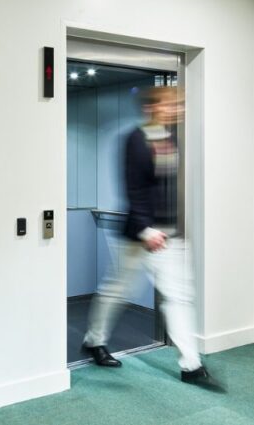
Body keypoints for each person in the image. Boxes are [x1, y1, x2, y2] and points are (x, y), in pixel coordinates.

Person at [82, 85, 215, 387]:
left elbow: (169, 189)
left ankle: (191, 364)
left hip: (170, 234)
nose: (178, 108)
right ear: (152, 108)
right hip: (139, 235)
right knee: (119, 291)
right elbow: (135, 188)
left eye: (180, 103)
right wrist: (145, 229)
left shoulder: (172, 139)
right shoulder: (135, 140)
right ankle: (94, 341)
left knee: (179, 296)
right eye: (172, 104)